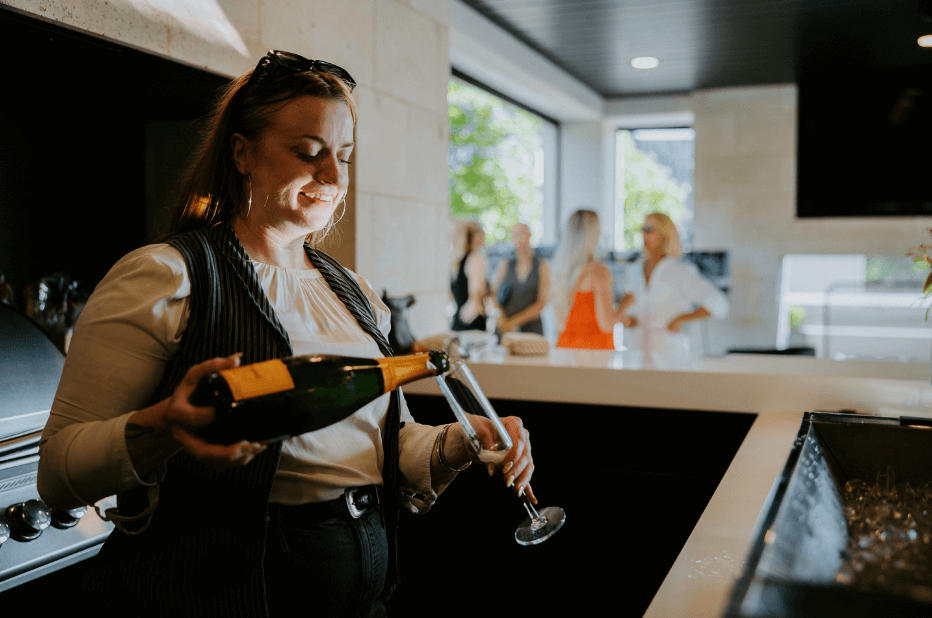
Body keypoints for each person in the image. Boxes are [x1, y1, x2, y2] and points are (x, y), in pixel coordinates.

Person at [36, 50, 535, 618]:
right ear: (242, 153)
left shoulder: (356, 293)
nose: (333, 176)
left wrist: (456, 441)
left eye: (343, 156)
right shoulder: (167, 277)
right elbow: (56, 474)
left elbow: (371, 448)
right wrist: (164, 426)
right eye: (309, 152)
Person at [618, 212, 729, 369]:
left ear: (664, 235)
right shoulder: (635, 270)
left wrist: (681, 318)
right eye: (642, 229)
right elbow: (636, 310)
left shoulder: (680, 271)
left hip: (669, 357)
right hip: (637, 355)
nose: (643, 233)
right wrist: (630, 320)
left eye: (649, 229)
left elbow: (720, 303)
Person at [552, 209, 624, 349]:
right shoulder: (598, 272)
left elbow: (561, 323)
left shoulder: (560, 272)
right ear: (593, 234)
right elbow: (607, 324)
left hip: (565, 350)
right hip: (593, 354)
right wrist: (625, 305)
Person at [491, 222, 549, 336]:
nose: (519, 239)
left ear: (529, 235)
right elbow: (492, 293)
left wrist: (513, 323)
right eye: (515, 235)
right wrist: (501, 318)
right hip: (505, 328)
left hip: (531, 329)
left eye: (522, 233)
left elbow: (541, 303)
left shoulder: (541, 265)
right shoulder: (505, 263)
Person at [449, 218, 488, 332]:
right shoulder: (476, 259)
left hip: (458, 321)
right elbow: (475, 295)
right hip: (472, 322)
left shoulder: (458, 261)